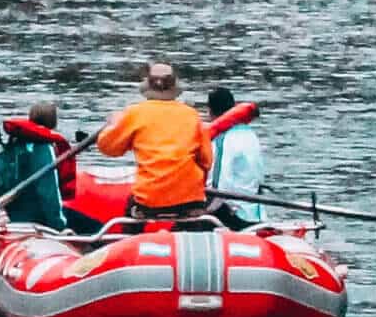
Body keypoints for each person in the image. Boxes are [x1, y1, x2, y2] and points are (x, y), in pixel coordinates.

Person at [93, 61, 212, 221]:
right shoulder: (192, 115)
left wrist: (114, 124)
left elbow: (108, 148)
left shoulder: (135, 113)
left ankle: (128, 240)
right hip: (190, 199)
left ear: (148, 86)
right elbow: (206, 161)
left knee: (131, 211)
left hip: (149, 198)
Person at [0, 99, 74, 227]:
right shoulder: (44, 148)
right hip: (34, 219)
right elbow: (48, 191)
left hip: (13, 215)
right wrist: (60, 226)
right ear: (53, 123)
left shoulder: (17, 142)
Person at [206, 86, 268, 223]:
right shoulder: (250, 134)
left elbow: (220, 187)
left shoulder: (222, 140)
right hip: (257, 213)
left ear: (210, 112)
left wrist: (201, 211)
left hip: (237, 215)